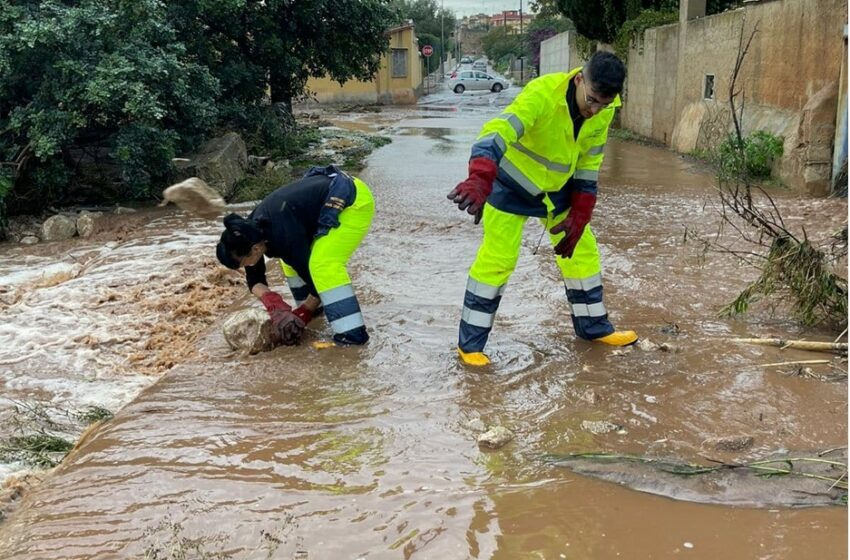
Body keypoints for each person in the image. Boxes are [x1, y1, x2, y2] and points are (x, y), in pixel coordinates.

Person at [447, 51, 638, 366]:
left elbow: (589, 163)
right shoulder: (542, 94)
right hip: (510, 187)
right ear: (579, 80)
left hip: (557, 191)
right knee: (498, 259)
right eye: (591, 100)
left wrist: (582, 211)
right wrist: (480, 177)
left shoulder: (605, 109)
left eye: (603, 104)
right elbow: (498, 132)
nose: (595, 110)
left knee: (582, 252)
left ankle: (593, 329)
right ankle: (470, 347)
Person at [216, 165, 374, 346]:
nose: (246, 268)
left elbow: (315, 282)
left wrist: (304, 312)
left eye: (243, 263)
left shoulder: (283, 236)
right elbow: (254, 279)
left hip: (351, 200)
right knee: (290, 265)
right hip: (315, 204)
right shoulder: (248, 232)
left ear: (255, 250)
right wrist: (272, 302)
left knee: (321, 265)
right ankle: (318, 312)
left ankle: (351, 336)